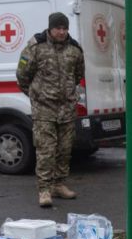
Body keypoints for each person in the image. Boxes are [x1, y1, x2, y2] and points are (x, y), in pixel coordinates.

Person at [16, 12, 85, 207]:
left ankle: (59, 184)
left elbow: (78, 74)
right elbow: (22, 75)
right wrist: (36, 96)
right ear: (50, 28)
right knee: (46, 151)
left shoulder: (75, 49)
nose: (62, 32)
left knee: (64, 150)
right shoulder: (35, 47)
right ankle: (44, 189)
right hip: (44, 110)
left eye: (65, 28)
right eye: (58, 28)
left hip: (67, 110)